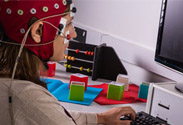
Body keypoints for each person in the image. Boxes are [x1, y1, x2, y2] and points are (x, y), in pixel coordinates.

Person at [0, 0, 136, 125]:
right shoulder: (27, 97)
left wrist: (100, 118)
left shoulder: (11, 85)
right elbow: (40, 109)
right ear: (38, 32)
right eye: (69, 23)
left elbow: (47, 115)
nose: (74, 34)